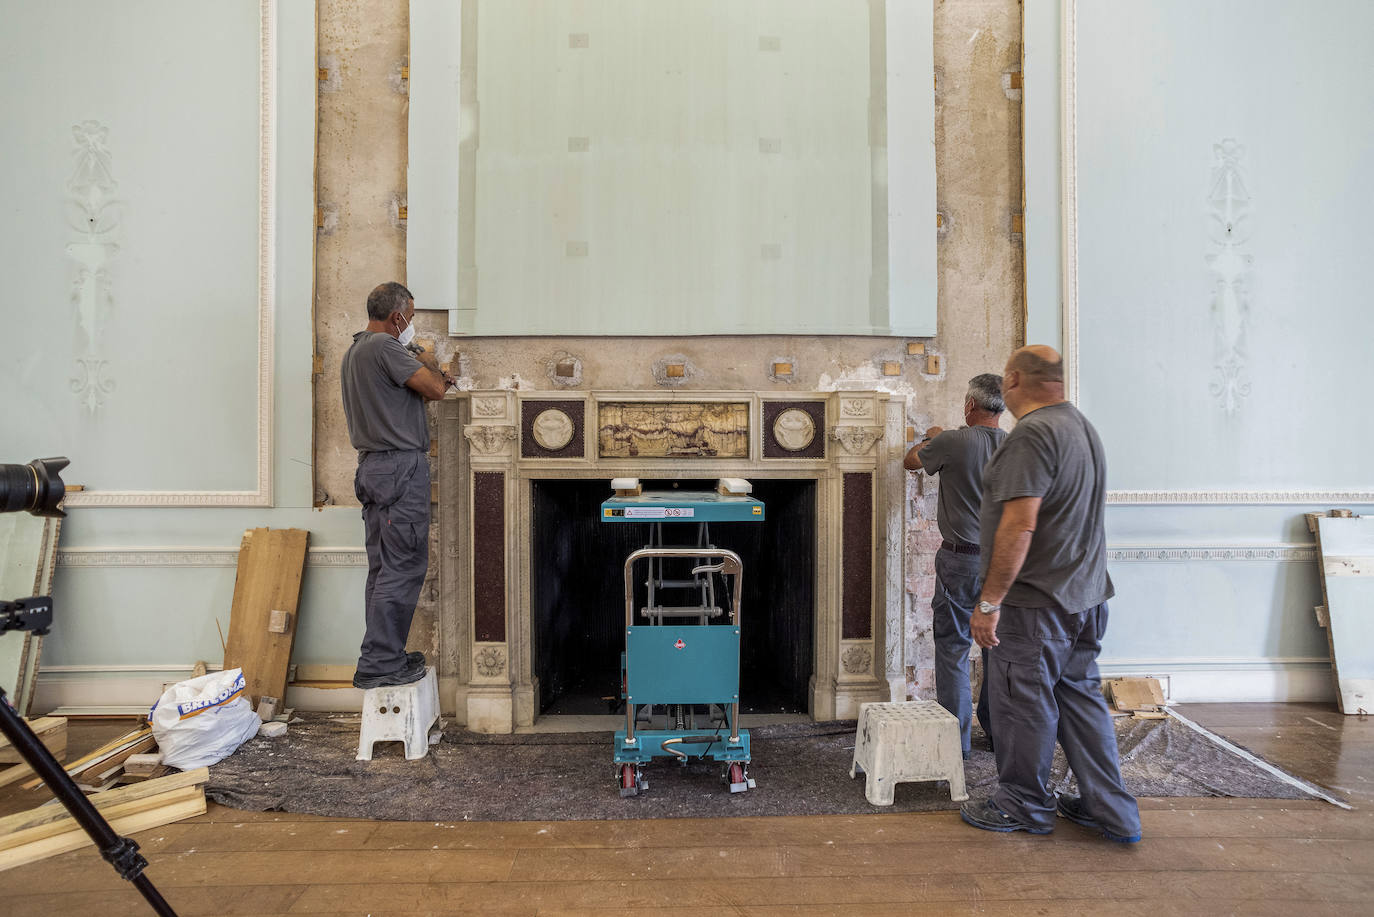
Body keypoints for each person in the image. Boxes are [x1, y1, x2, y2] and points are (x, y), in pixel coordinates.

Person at [960, 345, 1141, 844]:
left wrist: (990, 601)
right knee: (1081, 700)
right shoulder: (1081, 426)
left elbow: (1019, 526)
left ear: (1014, 379)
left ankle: (1024, 805)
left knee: (1023, 705)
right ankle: (1112, 809)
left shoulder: (1031, 436)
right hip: (1086, 597)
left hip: (1036, 605)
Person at [341, 282, 454, 689]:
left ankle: (382, 656)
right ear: (398, 316)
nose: (412, 323)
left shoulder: (356, 350)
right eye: (411, 315)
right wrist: (421, 351)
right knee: (403, 566)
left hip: (373, 467)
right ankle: (379, 663)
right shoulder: (386, 348)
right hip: (398, 467)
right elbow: (437, 389)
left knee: (384, 567)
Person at [903, 373, 1006, 759]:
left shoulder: (951, 441)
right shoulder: (1015, 446)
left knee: (953, 649)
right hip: (1004, 563)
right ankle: (997, 735)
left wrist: (931, 436)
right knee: (997, 649)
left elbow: (910, 461)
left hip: (960, 560)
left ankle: (955, 746)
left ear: (969, 405)